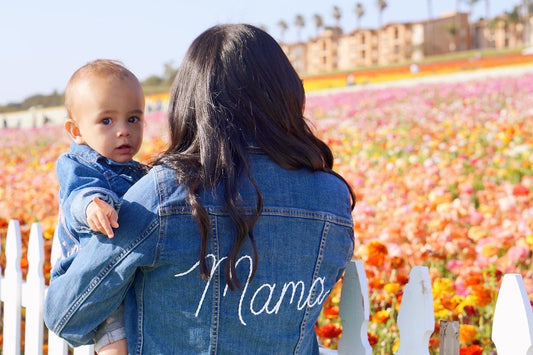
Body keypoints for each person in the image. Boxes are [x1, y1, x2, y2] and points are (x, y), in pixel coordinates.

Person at [44, 24, 355, 354]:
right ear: (286, 94)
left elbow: (66, 317)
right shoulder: (332, 198)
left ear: (189, 103)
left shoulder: (159, 196)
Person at [51, 59, 148, 354]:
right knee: (116, 341)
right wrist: (94, 206)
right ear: (76, 131)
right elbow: (75, 198)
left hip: (130, 274)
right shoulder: (78, 164)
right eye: (107, 121)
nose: (123, 131)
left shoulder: (137, 171)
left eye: (133, 119)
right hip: (97, 277)